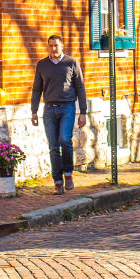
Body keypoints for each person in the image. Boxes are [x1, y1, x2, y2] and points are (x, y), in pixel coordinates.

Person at [30, 34, 87, 195]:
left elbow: (80, 88)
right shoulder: (42, 65)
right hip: (49, 109)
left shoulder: (71, 63)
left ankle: (68, 173)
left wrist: (83, 112)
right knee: (53, 147)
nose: (53, 48)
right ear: (48, 47)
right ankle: (57, 182)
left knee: (64, 140)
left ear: (62, 46)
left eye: (56, 45)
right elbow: (36, 89)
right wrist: (33, 111)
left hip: (67, 107)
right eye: (51, 46)